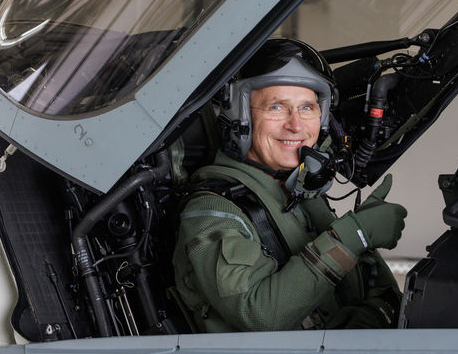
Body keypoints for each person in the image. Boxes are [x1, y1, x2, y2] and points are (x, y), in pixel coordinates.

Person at [171, 38, 405, 332]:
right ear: (240, 117)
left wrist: (368, 317)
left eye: (307, 107)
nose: (296, 125)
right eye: (277, 107)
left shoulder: (301, 195)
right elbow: (259, 314)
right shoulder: (212, 210)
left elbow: (390, 303)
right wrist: (354, 235)